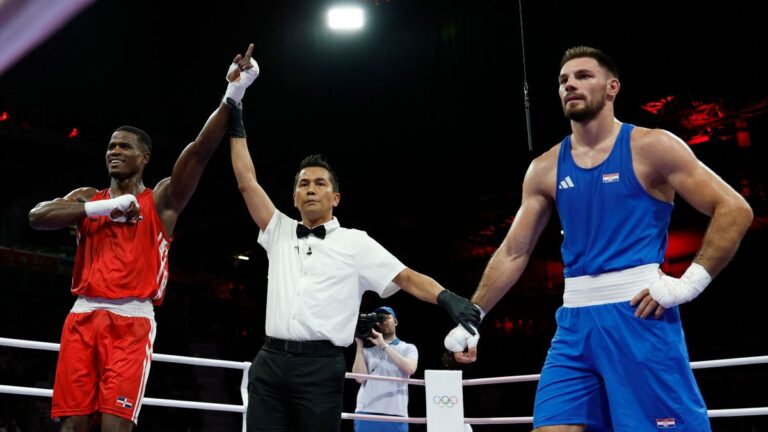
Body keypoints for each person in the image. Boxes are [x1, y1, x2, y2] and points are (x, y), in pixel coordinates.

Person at [443, 46, 753, 431]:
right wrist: (474, 316)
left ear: (612, 87)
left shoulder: (652, 146)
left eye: (583, 76)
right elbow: (513, 251)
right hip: (573, 325)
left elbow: (735, 209)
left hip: (638, 315)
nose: (570, 84)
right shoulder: (545, 167)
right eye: (563, 80)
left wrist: (689, 283)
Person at [27, 44, 260, 432]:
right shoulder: (88, 198)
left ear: (145, 157)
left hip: (131, 320)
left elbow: (200, 153)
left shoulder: (163, 201)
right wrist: (103, 210)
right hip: (83, 315)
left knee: (115, 426)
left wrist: (233, 94)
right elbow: (38, 218)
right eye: (110, 146)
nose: (114, 151)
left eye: (124, 146)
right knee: (72, 426)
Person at [227, 99, 480, 432]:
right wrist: (236, 118)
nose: (311, 189)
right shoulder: (279, 230)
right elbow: (247, 181)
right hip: (270, 359)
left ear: (335, 198)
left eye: (320, 184)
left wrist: (447, 297)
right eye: (303, 184)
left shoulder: (355, 242)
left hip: (320, 366)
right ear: (294, 198)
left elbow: (405, 277)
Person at [352, 306, 417, 432]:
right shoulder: (368, 350)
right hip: (366, 412)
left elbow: (410, 369)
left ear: (396, 321)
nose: (383, 321)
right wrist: (360, 345)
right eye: (379, 319)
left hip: (396, 413)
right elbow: (359, 378)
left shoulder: (408, 348)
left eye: (386, 318)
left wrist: (383, 345)